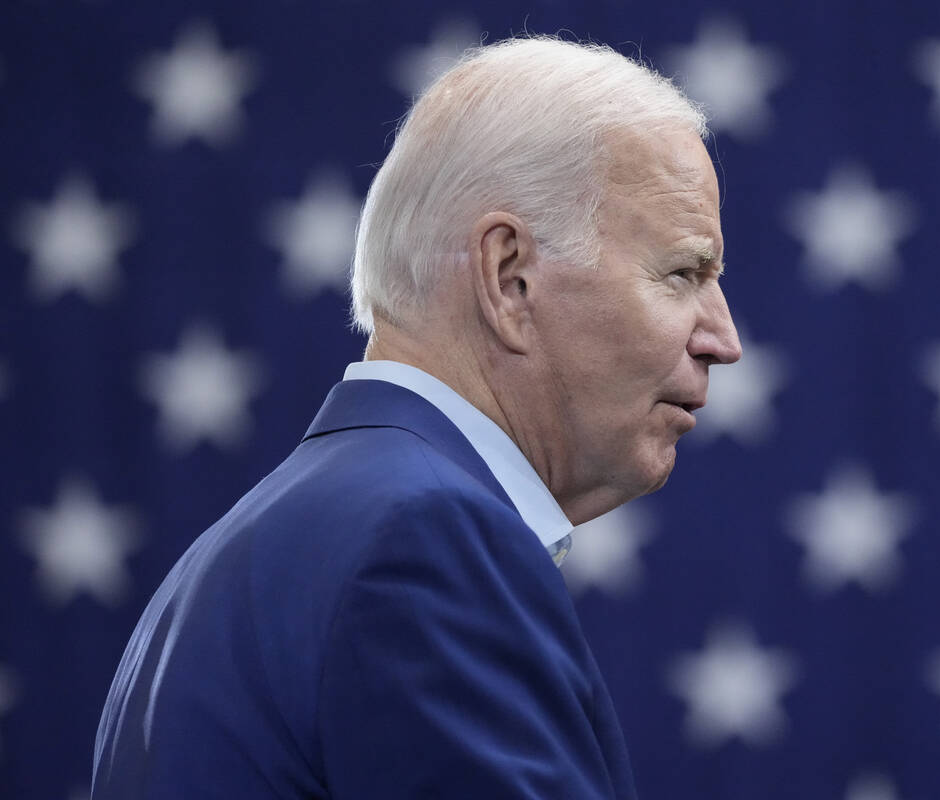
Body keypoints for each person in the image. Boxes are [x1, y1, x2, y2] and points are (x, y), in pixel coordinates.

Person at [92, 35, 740, 799]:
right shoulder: (424, 540)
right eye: (683, 273)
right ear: (510, 277)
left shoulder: (248, 552)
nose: (723, 340)